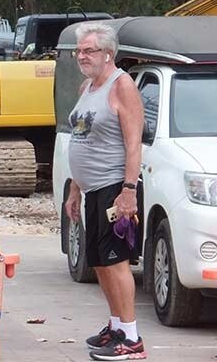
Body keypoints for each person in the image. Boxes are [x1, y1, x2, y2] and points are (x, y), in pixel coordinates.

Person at [64, 23, 146, 361]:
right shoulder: (88, 86)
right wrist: (74, 189)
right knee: (98, 262)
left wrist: (128, 190)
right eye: (79, 51)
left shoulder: (122, 85)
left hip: (114, 187)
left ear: (108, 53)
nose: (81, 56)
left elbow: (133, 142)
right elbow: (82, 140)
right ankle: (115, 326)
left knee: (116, 262)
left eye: (89, 51)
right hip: (91, 189)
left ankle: (132, 338)